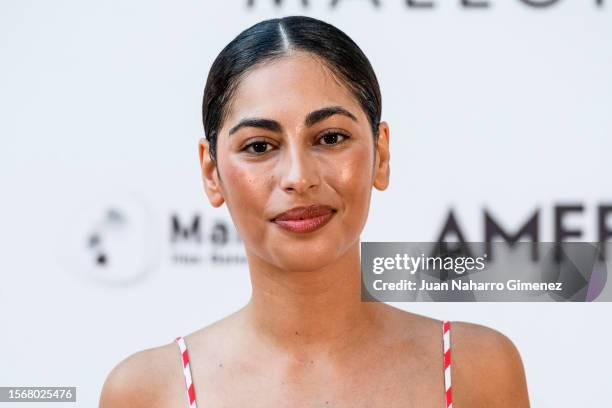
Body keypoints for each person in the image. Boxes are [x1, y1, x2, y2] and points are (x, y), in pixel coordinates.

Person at [99, 15, 530, 407]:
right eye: (259, 146)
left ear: (380, 154)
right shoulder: (150, 391)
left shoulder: (477, 369)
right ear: (211, 172)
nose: (298, 177)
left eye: (330, 138)